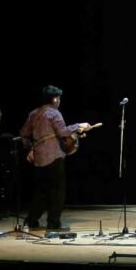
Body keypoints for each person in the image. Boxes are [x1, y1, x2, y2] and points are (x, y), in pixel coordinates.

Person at [19, 85, 90, 232]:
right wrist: (79, 125)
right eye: (59, 98)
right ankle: (53, 223)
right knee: (57, 191)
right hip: (54, 157)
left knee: (41, 191)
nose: (60, 101)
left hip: (39, 159)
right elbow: (63, 131)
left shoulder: (33, 114)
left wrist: (31, 149)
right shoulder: (54, 113)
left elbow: (24, 134)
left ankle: (31, 221)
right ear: (55, 99)